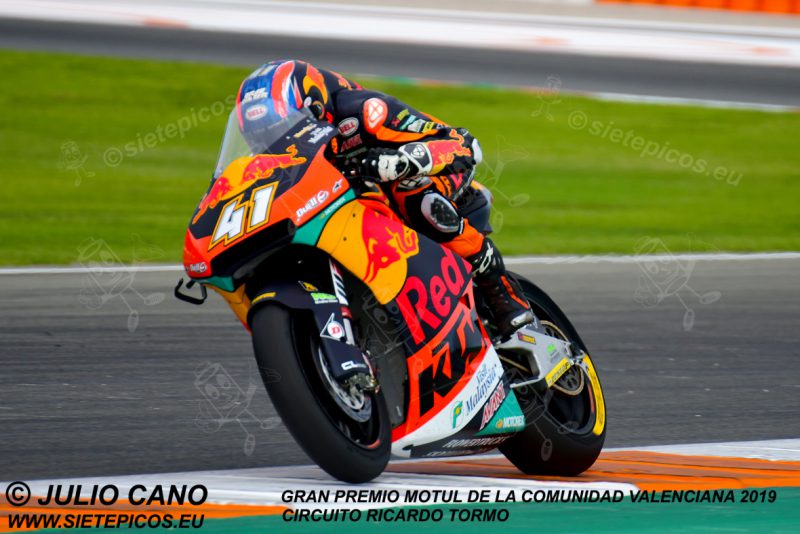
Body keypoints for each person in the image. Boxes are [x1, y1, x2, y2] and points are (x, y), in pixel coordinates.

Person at [236, 60, 533, 339]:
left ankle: (502, 291)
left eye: (281, 128)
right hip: (353, 200)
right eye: (263, 136)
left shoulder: (362, 111)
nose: (276, 141)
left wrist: (402, 161)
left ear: (314, 108)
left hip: (435, 175)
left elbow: (464, 144)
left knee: (413, 194)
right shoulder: (274, 154)